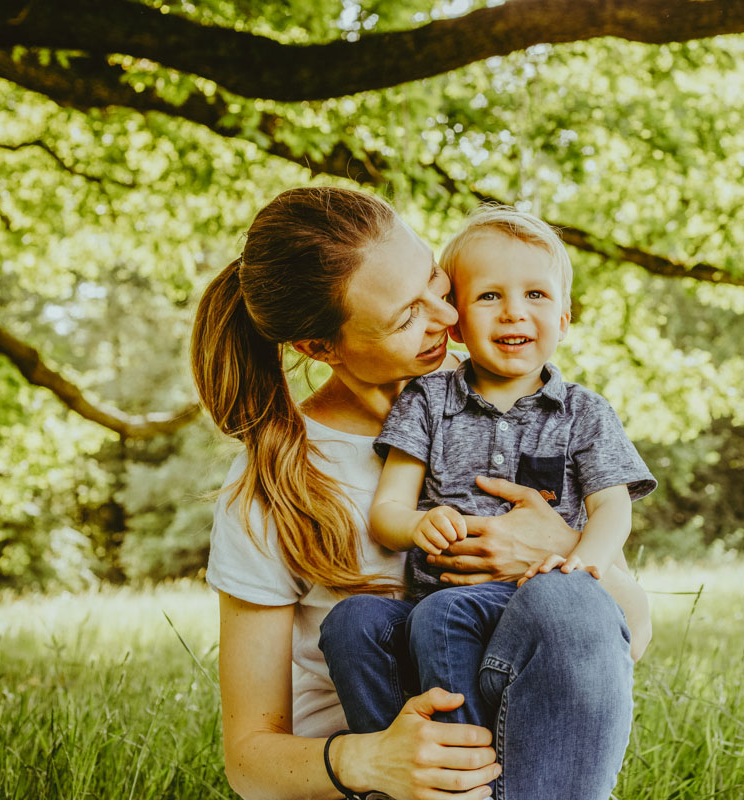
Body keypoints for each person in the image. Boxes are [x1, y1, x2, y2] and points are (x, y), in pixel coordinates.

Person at [191, 186, 650, 800]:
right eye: (407, 316)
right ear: (319, 348)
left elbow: (625, 638)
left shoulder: (515, 408)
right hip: (385, 773)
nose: (447, 316)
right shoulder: (273, 486)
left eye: (436, 281)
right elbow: (249, 760)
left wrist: (558, 546)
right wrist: (370, 761)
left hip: (527, 750)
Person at [317, 206, 654, 745]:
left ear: (564, 319)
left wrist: (582, 566)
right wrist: (417, 526)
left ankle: (469, 776)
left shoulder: (584, 413)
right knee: (351, 621)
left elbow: (613, 505)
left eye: (536, 295)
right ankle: (401, 769)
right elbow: (389, 511)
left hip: (529, 608)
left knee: (443, 616)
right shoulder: (428, 401)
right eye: (490, 296)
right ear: (457, 320)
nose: (514, 313)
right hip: (432, 606)